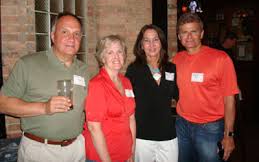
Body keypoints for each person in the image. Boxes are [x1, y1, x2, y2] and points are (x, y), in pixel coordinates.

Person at [0, 12, 87, 162]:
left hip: (77, 148)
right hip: (41, 151)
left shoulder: (84, 69)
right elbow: (3, 103)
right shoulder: (28, 64)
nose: (72, 39)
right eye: (65, 32)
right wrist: (44, 108)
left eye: (77, 34)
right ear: (53, 35)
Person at [172, 13, 239, 162]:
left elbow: (229, 100)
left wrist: (229, 135)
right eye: (184, 32)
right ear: (179, 36)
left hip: (210, 129)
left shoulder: (221, 59)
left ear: (201, 33)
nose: (189, 36)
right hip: (182, 125)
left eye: (193, 31)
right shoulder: (177, 59)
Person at [125, 24, 179, 162]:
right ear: (141, 45)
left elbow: (178, 95)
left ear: (161, 42)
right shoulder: (134, 70)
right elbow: (126, 103)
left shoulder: (171, 68)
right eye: (146, 40)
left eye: (155, 40)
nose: (151, 44)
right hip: (143, 136)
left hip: (168, 134)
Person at [83, 35, 136, 162]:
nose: (116, 56)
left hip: (124, 153)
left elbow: (131, 119)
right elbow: (94, 128)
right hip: (102, 156)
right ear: (102, 57)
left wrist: (132, 151)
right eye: (110, 52)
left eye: (119, 52)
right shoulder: (96, 85)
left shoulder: (126, 82)